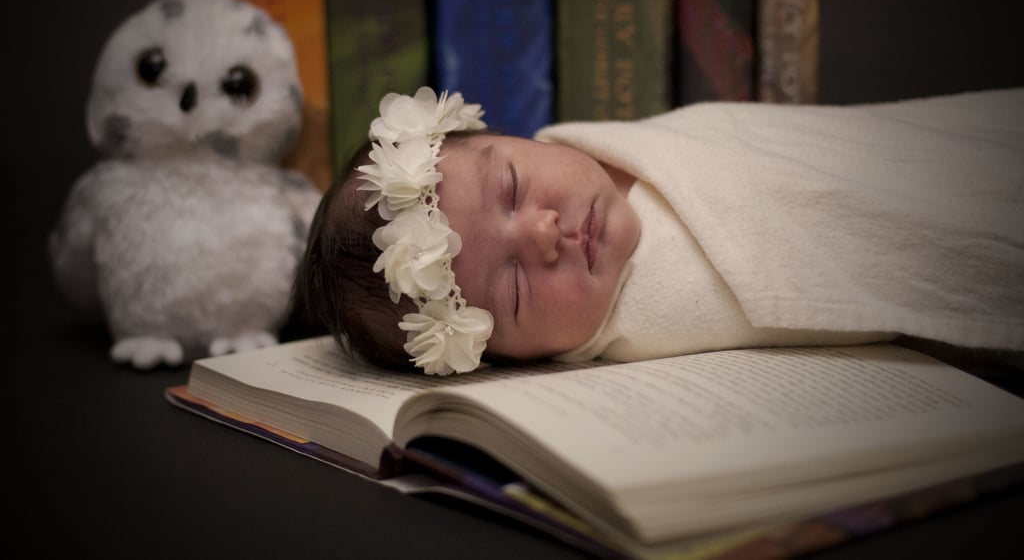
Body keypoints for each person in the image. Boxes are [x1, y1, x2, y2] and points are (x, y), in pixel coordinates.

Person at [293, 86, 1024, 375]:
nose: (544, 234)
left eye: (512, 185)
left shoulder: (649, 145)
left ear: (516, 138)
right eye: (513, 288)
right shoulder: (624, 343)